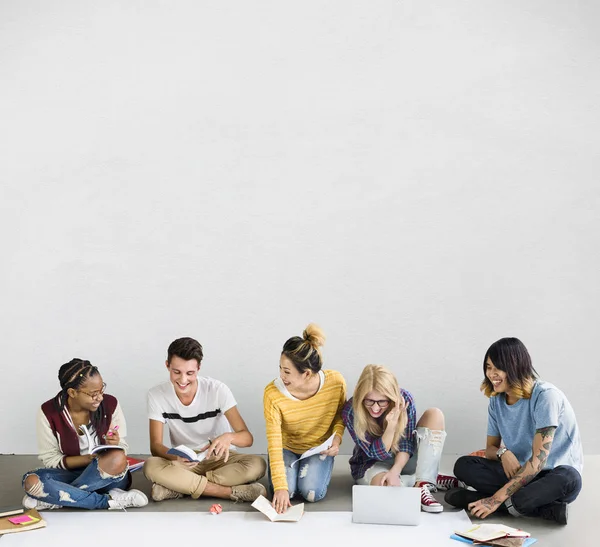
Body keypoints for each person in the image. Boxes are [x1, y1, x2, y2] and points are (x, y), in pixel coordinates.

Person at [445, 338, 583, 525]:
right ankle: (538, 507)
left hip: (552, 476)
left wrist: (494, 500)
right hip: (519, 473)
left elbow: (537, 463)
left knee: (570, 478)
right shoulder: (496, 400)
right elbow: (491, 448)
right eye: (488, 367)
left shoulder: (545, 397)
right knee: (464, 465)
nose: (491, 374)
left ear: (515, 367)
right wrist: (504, 453)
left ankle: (479, 500)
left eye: (497, 368)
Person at [143, 337, 267, 503]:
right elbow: (155, 446)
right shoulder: (156, 395)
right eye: (176, 372)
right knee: (150, 466)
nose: (183, 380)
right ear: (167, 366)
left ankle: (179, 487)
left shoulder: (217, 390)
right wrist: (176, 458)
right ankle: (228, 492)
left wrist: (228, 437)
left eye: (190, 373)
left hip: (219, 460)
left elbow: (247, 438)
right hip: (184, 463)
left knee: (257, 464)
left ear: (198, 368)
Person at [22, 359, 148, 510]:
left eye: (102, 390)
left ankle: (58, 497)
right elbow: (51, 459)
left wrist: (114, 444)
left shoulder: (110, 404)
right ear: (72, 392)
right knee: (31, 481)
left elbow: (122, 447)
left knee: (117, 458)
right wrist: (87, 459)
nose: (100, 398)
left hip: (107, 475)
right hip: (69, 473)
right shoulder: (49, 413)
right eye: (93, 394)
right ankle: (108, 500)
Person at [342, 364, 459, 512]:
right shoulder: (351, 410)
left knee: (435, 414)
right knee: (387, 490)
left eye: (382, 401)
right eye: (369, 401)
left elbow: (406, 444)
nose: (375, 408)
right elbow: (375, 453)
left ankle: (422, 483)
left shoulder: (405, 399)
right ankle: (425, 478)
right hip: (372, 463)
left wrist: (396, 470)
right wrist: (391, 426)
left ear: (391, 398)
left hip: (403, 458)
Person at [264, 323, 346, 513]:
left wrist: (337, 439)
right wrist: (281, 488)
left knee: (311, 493)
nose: (281, 376)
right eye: (280, 368)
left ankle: (306, 470)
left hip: (318, 448)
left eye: (287, 371)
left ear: (307, 373)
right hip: (287, 447)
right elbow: (274, 441)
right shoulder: (272, 394)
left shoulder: (336, 383)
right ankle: (289, 478)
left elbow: (339, 417)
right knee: (288, 493)